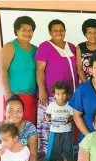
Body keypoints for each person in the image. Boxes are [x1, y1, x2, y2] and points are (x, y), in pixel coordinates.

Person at [36, 19, 79, 153]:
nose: (59, 33)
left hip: (70, 94)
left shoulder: (72, 46)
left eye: (61, 30)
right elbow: (39, 70)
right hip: (51, 94)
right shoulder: (44, 46)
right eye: (55, 30)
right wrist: (42, 90)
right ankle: (45, 151)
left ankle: (66, 151)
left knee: (67, 122)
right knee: (48, 123)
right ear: (50, 32)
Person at [0, 16, 38, 125]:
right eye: (23, 30)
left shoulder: (36, 49)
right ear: (16, 31)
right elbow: (2, 71)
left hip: (32, 96)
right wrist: (7, 92)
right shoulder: (10, 46)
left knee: (29, 127)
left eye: (30, 30)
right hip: (13, 95)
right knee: (13, 128)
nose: (27, 33)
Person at [45, 82, 74, 161]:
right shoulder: (52, 105)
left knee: (67, 148)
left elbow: (73, 116)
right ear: (54, 95)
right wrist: (48, 118)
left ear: (68, 95)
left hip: (67, 131)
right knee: (54, 148)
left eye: (63, 94)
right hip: (55, 131)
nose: (61, 96)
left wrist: (68, 120)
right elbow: (47, 114)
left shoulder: (70, 105)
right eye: (58, 94)